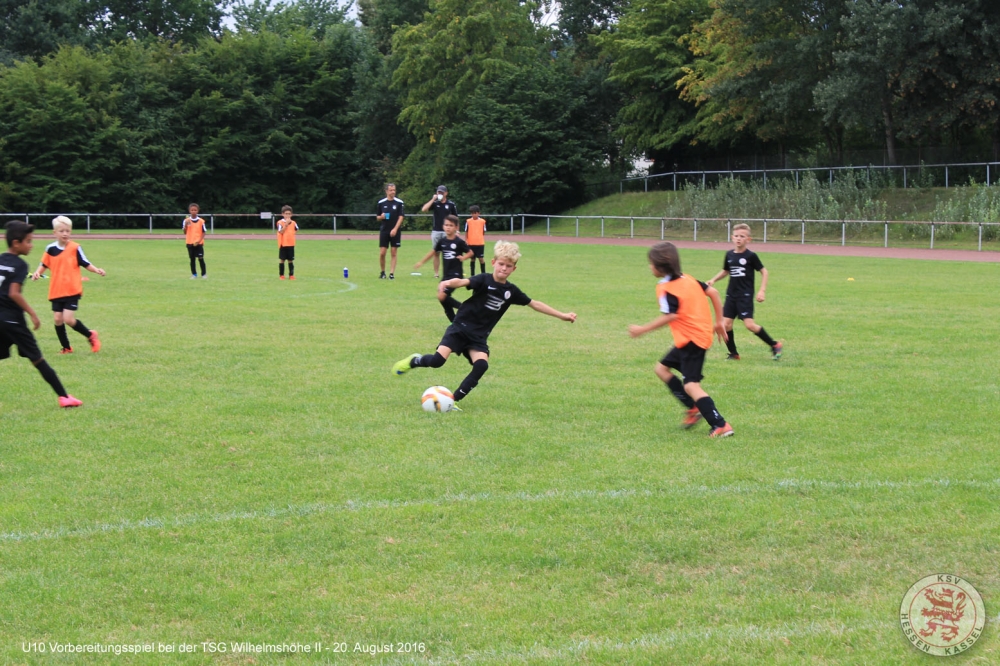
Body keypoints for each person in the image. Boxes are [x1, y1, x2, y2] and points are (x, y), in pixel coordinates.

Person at [393, 240, 576, 407]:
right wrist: (448, 282)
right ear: (493, 262)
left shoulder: (511, 291)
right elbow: (463, 281)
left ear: (514, 269)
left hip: (478, 337)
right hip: (460, 328)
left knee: (481, 365)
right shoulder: (483, 279)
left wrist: (562, 315)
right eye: (501, 264)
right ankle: (414, 360)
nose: (504, 268)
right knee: (437, 361)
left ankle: (452, 401)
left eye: (509, 266)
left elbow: (534, 304)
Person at [629, 241, 733, 438]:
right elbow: (713, 292)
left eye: (651, 264)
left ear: (660, 267)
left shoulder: (666, 288)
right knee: (661, 369)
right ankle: (693, 408)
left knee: (691, 385)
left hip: (693, 341)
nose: (650, 267)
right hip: (691, 338)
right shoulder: (688, 279)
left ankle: (720, 424)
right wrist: (719, 321)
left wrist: (643, 329)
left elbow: (671, 316)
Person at [1, 221, 83, 407]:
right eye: (28, 241)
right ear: (16, 243)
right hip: (13, 322)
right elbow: (13, 293)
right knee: (37, 359)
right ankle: (64, 397)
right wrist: (32, 314)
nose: (31, 245)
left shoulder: (0, 259)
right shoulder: (20, 264)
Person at [705, 223, 783, 360]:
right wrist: (713, 280)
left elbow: (764, 272)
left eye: (742, 236)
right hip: (731, 295)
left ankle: (775, 345)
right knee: (726, 324)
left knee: (750, 325)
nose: (739, 238)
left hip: (745, 296)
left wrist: (762, 291)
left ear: (748, 239)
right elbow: (726, 271)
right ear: (732, 237)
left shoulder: (751, 256)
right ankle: (734, 354)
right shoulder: (729, 255)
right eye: (736, 236)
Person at [30, 216, 105, 354]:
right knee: (58, 319)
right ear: (54, 233)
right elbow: (44, 264)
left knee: (68, 319)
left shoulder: (75, 248)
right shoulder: (50, 249)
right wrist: (37, 273)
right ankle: (66, 348)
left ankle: (90, 335)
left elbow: (86, 263)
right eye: (61, 231)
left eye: (68, 231)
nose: (65, 234)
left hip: (72, 290)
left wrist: (97, 270)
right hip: (56, 290)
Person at [413, 215, 473, 321]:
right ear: (443, 226)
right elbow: (433, 252)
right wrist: (421, 262)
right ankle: (454, 321)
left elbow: (471, 252)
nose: (448, 227)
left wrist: (463, 258)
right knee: (443, 299)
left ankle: (463, 308)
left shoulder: (459, 242)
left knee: (441, 295)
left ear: (456, 227)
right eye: (446, 225)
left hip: (456, 275)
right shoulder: (442, 241)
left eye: (451, 225)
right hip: (446, 275)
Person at [421, 185, 457, 278]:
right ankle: (436, 274)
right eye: (438, 192)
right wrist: (433, 199)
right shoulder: (435, 203)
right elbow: (424, 209)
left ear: (446, 193)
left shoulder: (451, 204)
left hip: (447, 232)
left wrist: (456, 230)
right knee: (436, 253)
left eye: (442, 192)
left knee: (448, 253)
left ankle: (449, 273)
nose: (440, 194)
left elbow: (455, 218)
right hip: (436, 231)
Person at [376, 183, 404, 280]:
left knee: (393, 252)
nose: (393, 192)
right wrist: (381, 217)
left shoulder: (399, 203)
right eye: (391, 190)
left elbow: (401, 217)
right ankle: (382, 272)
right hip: (384, 230)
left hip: (395, 231)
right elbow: (377, 217)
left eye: (394, 190)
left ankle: (391, 274)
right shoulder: (381, 203)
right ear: (386, 191)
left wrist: (395, 229)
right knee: (382, 253)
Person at [183, 203, 207, 279]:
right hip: (190, 242)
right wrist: (185, 225)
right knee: (192, 259)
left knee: (201, 258)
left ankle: (203, 274)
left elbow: (204, 232)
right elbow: (184, 232)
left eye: (195, 210)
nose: (193, 211)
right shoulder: (186, 220)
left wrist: (199, 241)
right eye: (192, 210)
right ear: (189, 211)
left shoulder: (201, 221)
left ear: (198, 211)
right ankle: (194, 274)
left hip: (198, 243)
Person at [277, 205, 299, 280]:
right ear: (282, 214)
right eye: (286, 214)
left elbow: (296, 229)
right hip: (283, 244)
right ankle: (281, 275)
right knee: (282, 260)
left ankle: (291, 275)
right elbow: (281, 231)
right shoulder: (280, 222)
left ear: (291, 214)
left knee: (290, 260)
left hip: (291, 244)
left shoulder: (293, 222)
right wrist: (286, 224)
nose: (287, 215)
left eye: (289, 214)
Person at [464, 205, 487, 276]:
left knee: (481, 259)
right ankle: (472, 275)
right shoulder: (468, 221)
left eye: (475, 213)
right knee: (472, 259)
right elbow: (466, 231)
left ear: (478, 213)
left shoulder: (482, 221)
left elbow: (484, 231)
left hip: (480, 243)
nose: (473, 215)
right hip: (471, 243)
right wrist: (466, 240)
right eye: (472, 213)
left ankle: (483, 274)